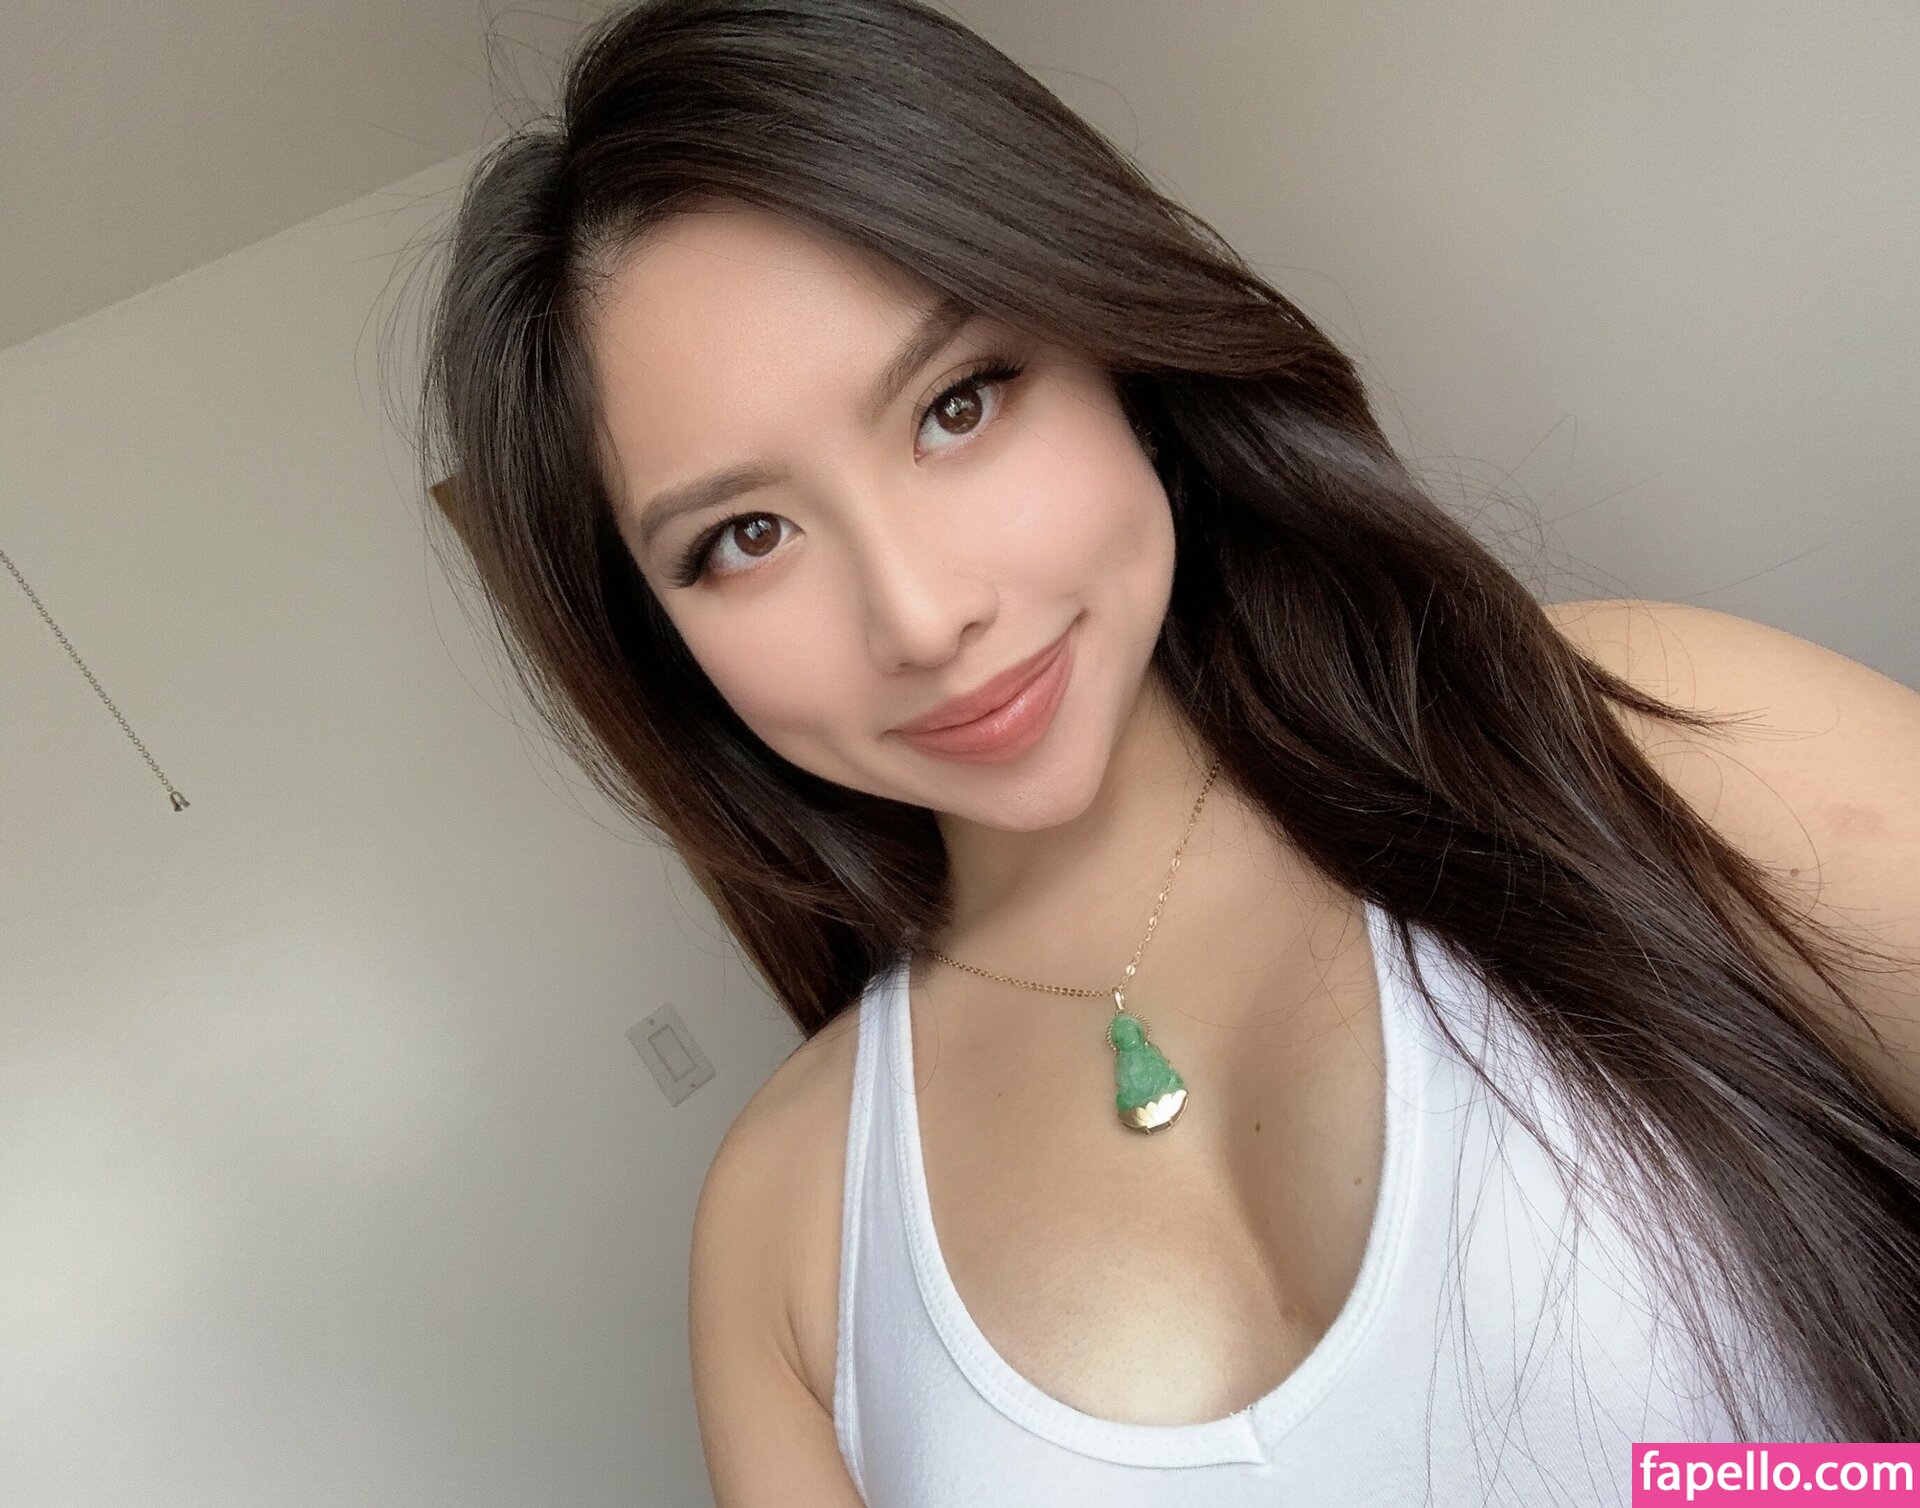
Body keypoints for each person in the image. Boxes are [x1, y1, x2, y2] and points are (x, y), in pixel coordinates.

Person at [408, 0, 1920, 1501]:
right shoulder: (783, 1231)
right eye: (746, 537)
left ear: (1112, 347)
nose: (922, 615)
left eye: (956, 404)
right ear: (659, 632)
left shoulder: (1632, 732)